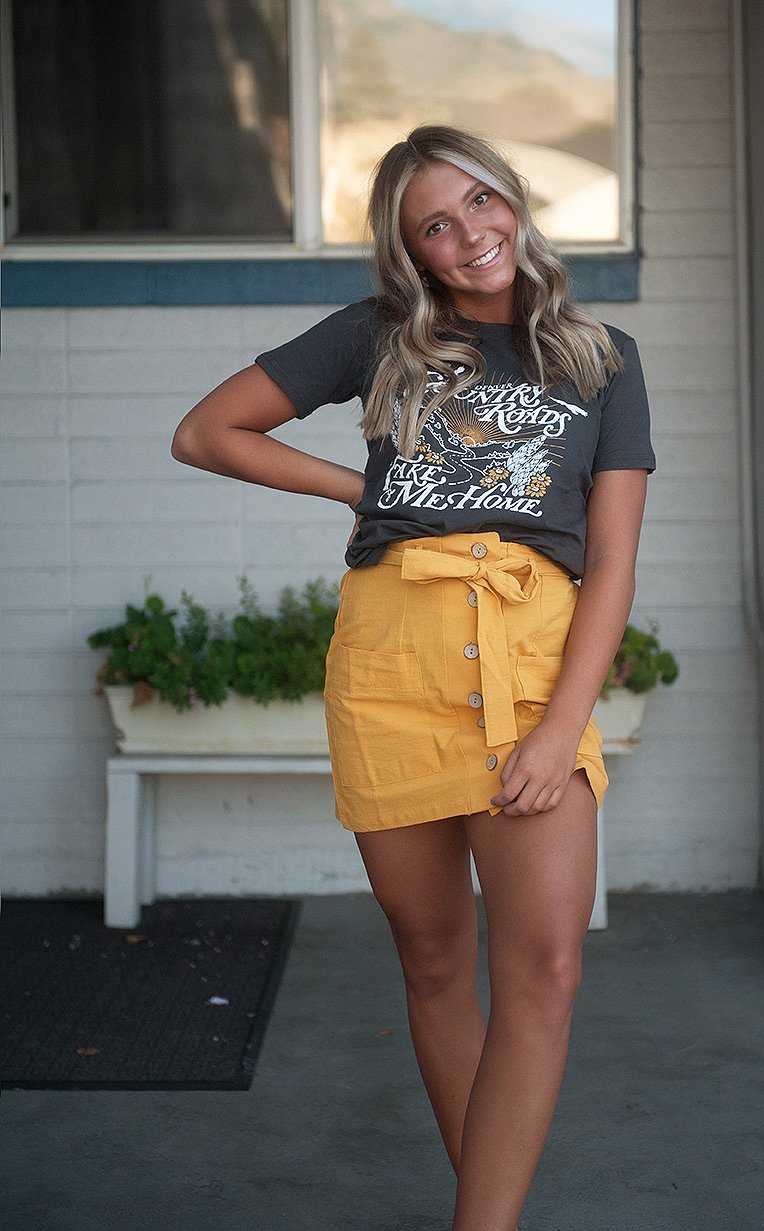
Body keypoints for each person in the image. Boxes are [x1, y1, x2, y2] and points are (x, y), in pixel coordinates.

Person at [172, 124, 654, 1231]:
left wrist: (559, 724)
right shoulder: (380, 336)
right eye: (436, 225)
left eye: (480, 202)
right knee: (435, 959)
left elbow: (616, 562)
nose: (470, 233)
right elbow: (207, 433)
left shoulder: (602, 356)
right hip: (393, 659)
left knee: (544, 971)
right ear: (415, 253)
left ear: (513, 198)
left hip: (532, 663)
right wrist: (361, 491)